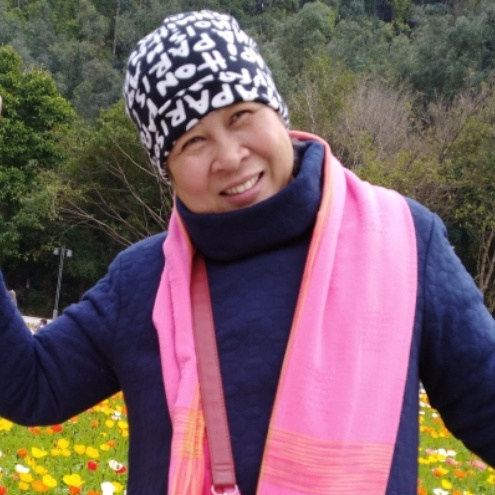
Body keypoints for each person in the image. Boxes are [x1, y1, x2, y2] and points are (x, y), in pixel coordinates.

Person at [1, 10, 495, 495]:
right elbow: (31, 385)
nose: (230, 156)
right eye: (193, 141)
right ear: (166, 170)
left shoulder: (404, 241)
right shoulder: (142, 281)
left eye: (240, 116)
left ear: (277, 110)